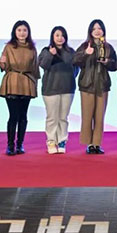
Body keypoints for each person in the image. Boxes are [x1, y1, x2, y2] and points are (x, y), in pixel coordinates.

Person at [74, 19, 117, 154]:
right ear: (90, 31)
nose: (97, 31)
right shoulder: (84, 46)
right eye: (94, 29)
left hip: (102, 85)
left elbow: (114, 66)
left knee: (99, 117)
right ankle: (89, 144)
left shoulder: (108, 47)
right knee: (87, 116)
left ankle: (97, 144)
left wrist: (107, 62)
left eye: (99, 28)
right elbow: (75, 61)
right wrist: (85, 54)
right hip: (87, 85)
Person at [0, 20, 40, 156]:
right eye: (19, 30)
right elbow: (4, 66)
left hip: (27, 82)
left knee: (23, 115)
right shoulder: (9, 47)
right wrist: (2, 63)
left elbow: (35, 68)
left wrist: (35, 85)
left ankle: (20, 144)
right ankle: (10, 145)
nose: (22, 33)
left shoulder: (32, 48)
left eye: (24, 30)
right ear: (14, 32)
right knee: (13, 115)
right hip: (12, 81)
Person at [39, 26, 79, 154]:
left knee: (63, 117)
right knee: (52, 118)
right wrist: (51, 55)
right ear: (52, 37)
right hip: (50, 89)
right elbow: (43, 65)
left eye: (62, 35)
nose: (60, 38)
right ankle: (51, 141)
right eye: (57, 35)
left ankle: (62, 141)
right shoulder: (46, 50)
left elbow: (75, 68)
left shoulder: (71, 52)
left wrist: (69, 77)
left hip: (67, 88)